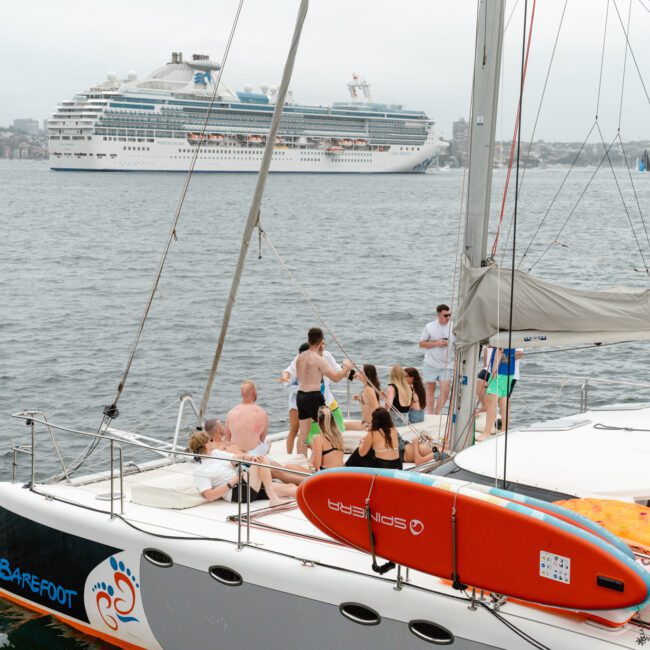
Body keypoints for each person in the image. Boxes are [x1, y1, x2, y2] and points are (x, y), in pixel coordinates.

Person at [188, 431, 296, 506]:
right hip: (237, 492)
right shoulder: (200, 470)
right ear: (206, 445)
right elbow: (209, 496)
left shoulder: (216, 453)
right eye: (210, 440)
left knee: (290, 488)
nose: (213, 442)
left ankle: (311, 495)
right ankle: (273, 499)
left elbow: (236, 457)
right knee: (261, 460)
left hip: (246, 483)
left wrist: (251, 457)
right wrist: (232, 482)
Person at [295, 327, 352, 456]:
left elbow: (299, 377)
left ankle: (301, 460)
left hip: (300, 396)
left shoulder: (300, 357)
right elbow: (336, 378)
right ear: (321, 341)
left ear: (309, 340)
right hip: (313, 397)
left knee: (304, 432)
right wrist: (347, 368)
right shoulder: (319, 359)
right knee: (328, 429)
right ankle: (325, 459)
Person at [419, 304, 455, 415]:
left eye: (449, 315)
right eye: (445, 315)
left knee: (445, 391)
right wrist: (436, 343)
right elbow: (421, 344)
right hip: (430, 364)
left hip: (446, 365)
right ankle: (430, 414)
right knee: (430, 390)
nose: (448, 317)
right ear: (438, 315)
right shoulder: (429, 326)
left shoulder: (453, 327)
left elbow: (458, 344)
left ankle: (437, 413)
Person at [224, 380, 269, 454]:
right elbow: (262, 439)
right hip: (254, 454)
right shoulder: (262, 413)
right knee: (267, 443)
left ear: (241, 394)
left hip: (236, 453)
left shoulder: (231, 413)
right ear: (254, 392)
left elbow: (227, 439)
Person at [280, 342, 309, 453]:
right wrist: (303, 388)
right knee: (294, 429)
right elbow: (286, 385)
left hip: (309, 401)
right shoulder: (295, 368)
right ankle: (289, 454)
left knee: (306, 431)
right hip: (295, 403)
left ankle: (301, 454)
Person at [480, 347, 516, 439]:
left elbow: (499, 350)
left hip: (499, 373)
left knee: (491, 403)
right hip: (509, 372)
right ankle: (504, 430)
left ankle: (486, 432)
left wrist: (494, 371)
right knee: (504, 400)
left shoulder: (501, 335)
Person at [345, 364, 381, 430]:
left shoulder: (368, 389)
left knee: (342, 425)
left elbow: (377, 409)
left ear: (367, 376)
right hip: (365, 422)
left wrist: (372, 426)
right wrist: (359, 398)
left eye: (361, 373)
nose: (358, 374)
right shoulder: (367, 386)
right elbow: (368, 403)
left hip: (368, 424)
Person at [310, 406, 344, 471]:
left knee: (289, 467)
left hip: (327, 476)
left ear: (318, 421)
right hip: (340, 473)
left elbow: (317, 466)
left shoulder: (318, 438)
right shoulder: (339, 435)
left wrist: (313, 452)